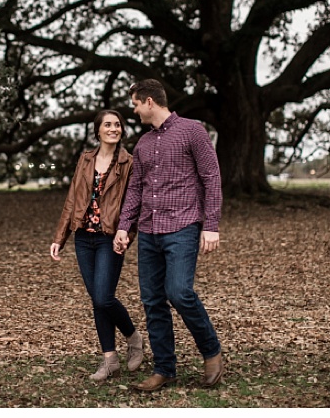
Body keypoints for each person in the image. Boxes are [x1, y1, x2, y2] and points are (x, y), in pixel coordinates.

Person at [113, 79, 223, 392]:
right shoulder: (143, 145)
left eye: (135, 104)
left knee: (179, 292)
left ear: (149, 101)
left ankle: (211, 350)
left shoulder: (192, 130)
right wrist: (125, 226)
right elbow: (135, 189)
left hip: (183, 226)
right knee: (152, 301)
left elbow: (211, 178)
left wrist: (211, 225)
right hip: (148, 231)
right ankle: (165, 368)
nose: (133, 111)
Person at [51, 110, 144, 381]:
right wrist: (60, 238)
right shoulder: (85, 159)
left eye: (117, 124)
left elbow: (133, 203)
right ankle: (109, 360)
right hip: (83, 237)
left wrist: (127, 235)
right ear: (98, 130)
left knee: (104, 297)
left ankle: (133, 337)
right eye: (108, 124)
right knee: (97, 300)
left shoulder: (129, 163)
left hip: (109, 237)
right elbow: (72, 199)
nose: (113, 129)